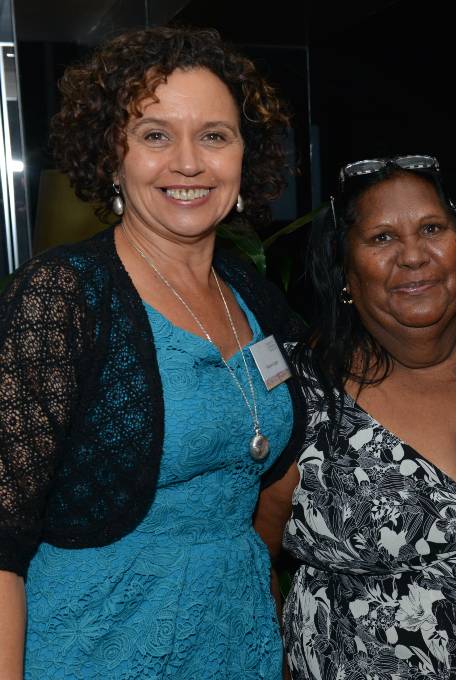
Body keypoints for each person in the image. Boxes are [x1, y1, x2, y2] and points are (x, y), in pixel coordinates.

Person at [0, 26, 304, 679]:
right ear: (111, 156)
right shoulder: (64, 297)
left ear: (245, 156)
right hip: (96, 646)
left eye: (214, 136)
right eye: (155, 135)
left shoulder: (253, 296)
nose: (188, 163)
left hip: (237, 643)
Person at [253, 156, 456, 679]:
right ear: (345, 269)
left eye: (432, 228)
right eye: (382, 238)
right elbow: (249, 562)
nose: (413, 256)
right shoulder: (299, 393)